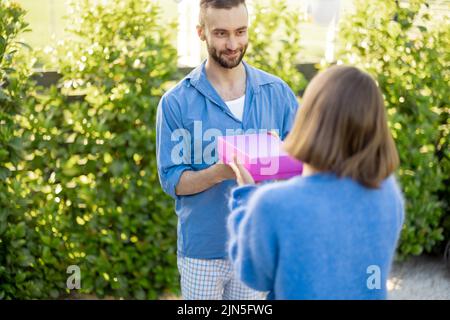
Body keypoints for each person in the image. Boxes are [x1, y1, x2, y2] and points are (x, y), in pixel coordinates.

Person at [156, 0, 298, 300]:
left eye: (240, 31)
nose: (233, 44)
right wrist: (220, 172)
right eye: (221, 33)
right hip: (202, 251)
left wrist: (277, 160)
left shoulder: (278, 94)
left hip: (256, 246)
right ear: (201, 32)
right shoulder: (176, 103)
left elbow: (302, 169)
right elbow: (174, 181)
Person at [227, 65, 405, 299]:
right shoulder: (387, 191)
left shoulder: (272, 204)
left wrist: (246, 197)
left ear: (310, 120)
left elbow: (254, 275)